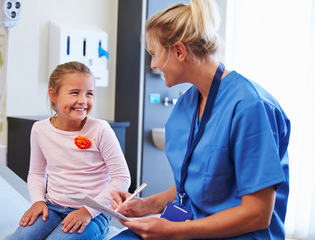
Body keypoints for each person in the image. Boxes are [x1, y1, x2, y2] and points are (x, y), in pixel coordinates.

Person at [110, 0, 290, 239]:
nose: (152, 64)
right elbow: (195, 184)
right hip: (189, 223)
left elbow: (257, 214)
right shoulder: (186, 105)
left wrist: (176, 231)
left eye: (154, 54)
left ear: (179, 51)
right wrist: (147, 205)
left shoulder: (250, 107)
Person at [10, 61, 131, 240]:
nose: (83, 100)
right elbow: (36, 173)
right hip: (52, 206)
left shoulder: (100, 129)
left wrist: (87, 211)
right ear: (53, 94)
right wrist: (37, 201)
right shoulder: (40, 129)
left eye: (89, 94)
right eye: (75, 92)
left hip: (95, 213)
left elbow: (122, 179)